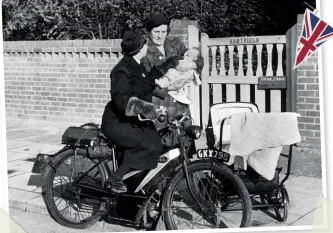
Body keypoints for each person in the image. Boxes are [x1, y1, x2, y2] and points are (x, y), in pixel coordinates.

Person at [101, 31, 180, 193]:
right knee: (148, 143)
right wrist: (148, 109)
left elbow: (149, 80)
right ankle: (115, 178)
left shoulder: (136, 65)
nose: (147, 47)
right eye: (145, 45)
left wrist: (170, 63)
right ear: (140, 48)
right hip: (116, 122)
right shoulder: (121, 70)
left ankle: (136, 187)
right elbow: (121, 99)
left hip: (132, 120)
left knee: (157, 142)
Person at [141, 14, 204, 146]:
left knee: (184, 141)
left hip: (180, 102)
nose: (160, 36)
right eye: (156, 32)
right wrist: (167, 88)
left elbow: (199, 60)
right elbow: (143, 81)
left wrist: (190, 65)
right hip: (159, 102)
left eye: (163, 32)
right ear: (148, 32)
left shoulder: (175, 44)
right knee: (163, 144)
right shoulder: (143, 50)